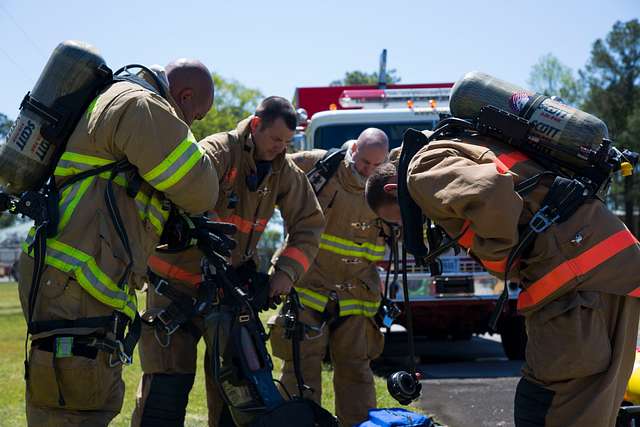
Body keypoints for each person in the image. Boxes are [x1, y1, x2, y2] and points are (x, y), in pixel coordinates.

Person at [364, 130, 640, 427]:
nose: (408, 227)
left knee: (550, 404)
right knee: (593, 400)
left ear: (394, 189)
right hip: (608, 268)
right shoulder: (454, 147)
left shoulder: (421, 169)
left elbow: (491, 191)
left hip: (577, 281)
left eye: (399, 220)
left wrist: (500, 257)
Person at [17, 59, 219, 426]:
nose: (192, 124)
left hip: (64, 279)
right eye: (197, 115)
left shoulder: (114, 99)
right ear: (184, 96)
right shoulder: (144, 106)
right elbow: (200, 189)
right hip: (74, 285)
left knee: (59, 403)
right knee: (80, 407)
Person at [132, 96, 325, 427]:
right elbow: (182, 192)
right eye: (275, 139)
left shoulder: (284, 172)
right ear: (254, 125)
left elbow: (309, 224)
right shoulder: (217, 151)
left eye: (287, 143)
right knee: (166, 385)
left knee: (236, 388)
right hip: (173, 291)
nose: (281, 148)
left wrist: (284, 275)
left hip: (227, 294)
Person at [269, 128, 390, 427]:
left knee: (357, 371)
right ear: (353, 151)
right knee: (300, 369)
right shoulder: (320, 166)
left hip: (357, 295)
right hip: (309, 286)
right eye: (364, 163)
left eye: (377, 166)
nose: (369, 171)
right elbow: (272, 170)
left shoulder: (387, 181)